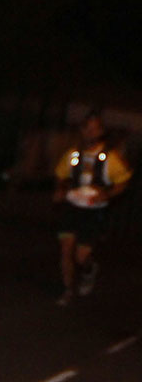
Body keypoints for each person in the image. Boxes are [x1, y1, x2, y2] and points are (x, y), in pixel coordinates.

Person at [53, 110, 132, 304]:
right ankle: (68, 290)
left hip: (93, 211)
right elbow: (61, 175)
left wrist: (106, 194)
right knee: (66, 250)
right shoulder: (74, 154)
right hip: (72, 207)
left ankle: (89, 269)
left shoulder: (109, 158)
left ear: (101, 131)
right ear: (82, 130)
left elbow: (123, 182)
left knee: (81, 256)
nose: (90, 132)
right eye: (87, 128)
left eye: (95, 129)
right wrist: (61, 190)